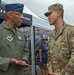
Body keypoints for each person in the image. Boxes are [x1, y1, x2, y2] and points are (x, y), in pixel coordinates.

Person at [44, 3, 74, 75]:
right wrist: (50, 70)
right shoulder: (52, 34)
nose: (48, 17)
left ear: (58, 13)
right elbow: (49, 54)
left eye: (49, 14)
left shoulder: (70, 31)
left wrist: (62, 73)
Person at [0, 3, 29, 75]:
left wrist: (24, 60)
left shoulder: (20, 33)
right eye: (18, 14)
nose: (22, 17)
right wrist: (8, 61)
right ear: (10, 15)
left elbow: (26, 51)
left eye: (22, 15)